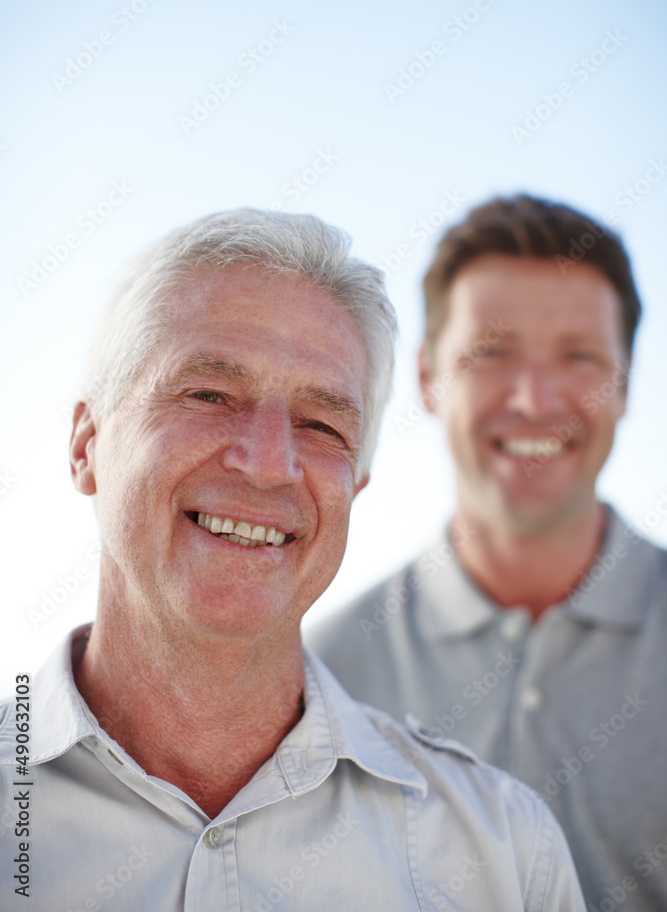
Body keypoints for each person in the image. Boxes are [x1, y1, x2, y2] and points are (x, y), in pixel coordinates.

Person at [0, 208, 583, 910]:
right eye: (210, 394)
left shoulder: (506, 857)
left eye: (320, 425)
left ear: (354, 487)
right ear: (85, 445)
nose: (269, 464)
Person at [307, 193, 667, 912]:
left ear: (624, 382)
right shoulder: (321, 673)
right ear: (424, 379)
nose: (533, 399)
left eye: (577, 356)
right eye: (491, 353)